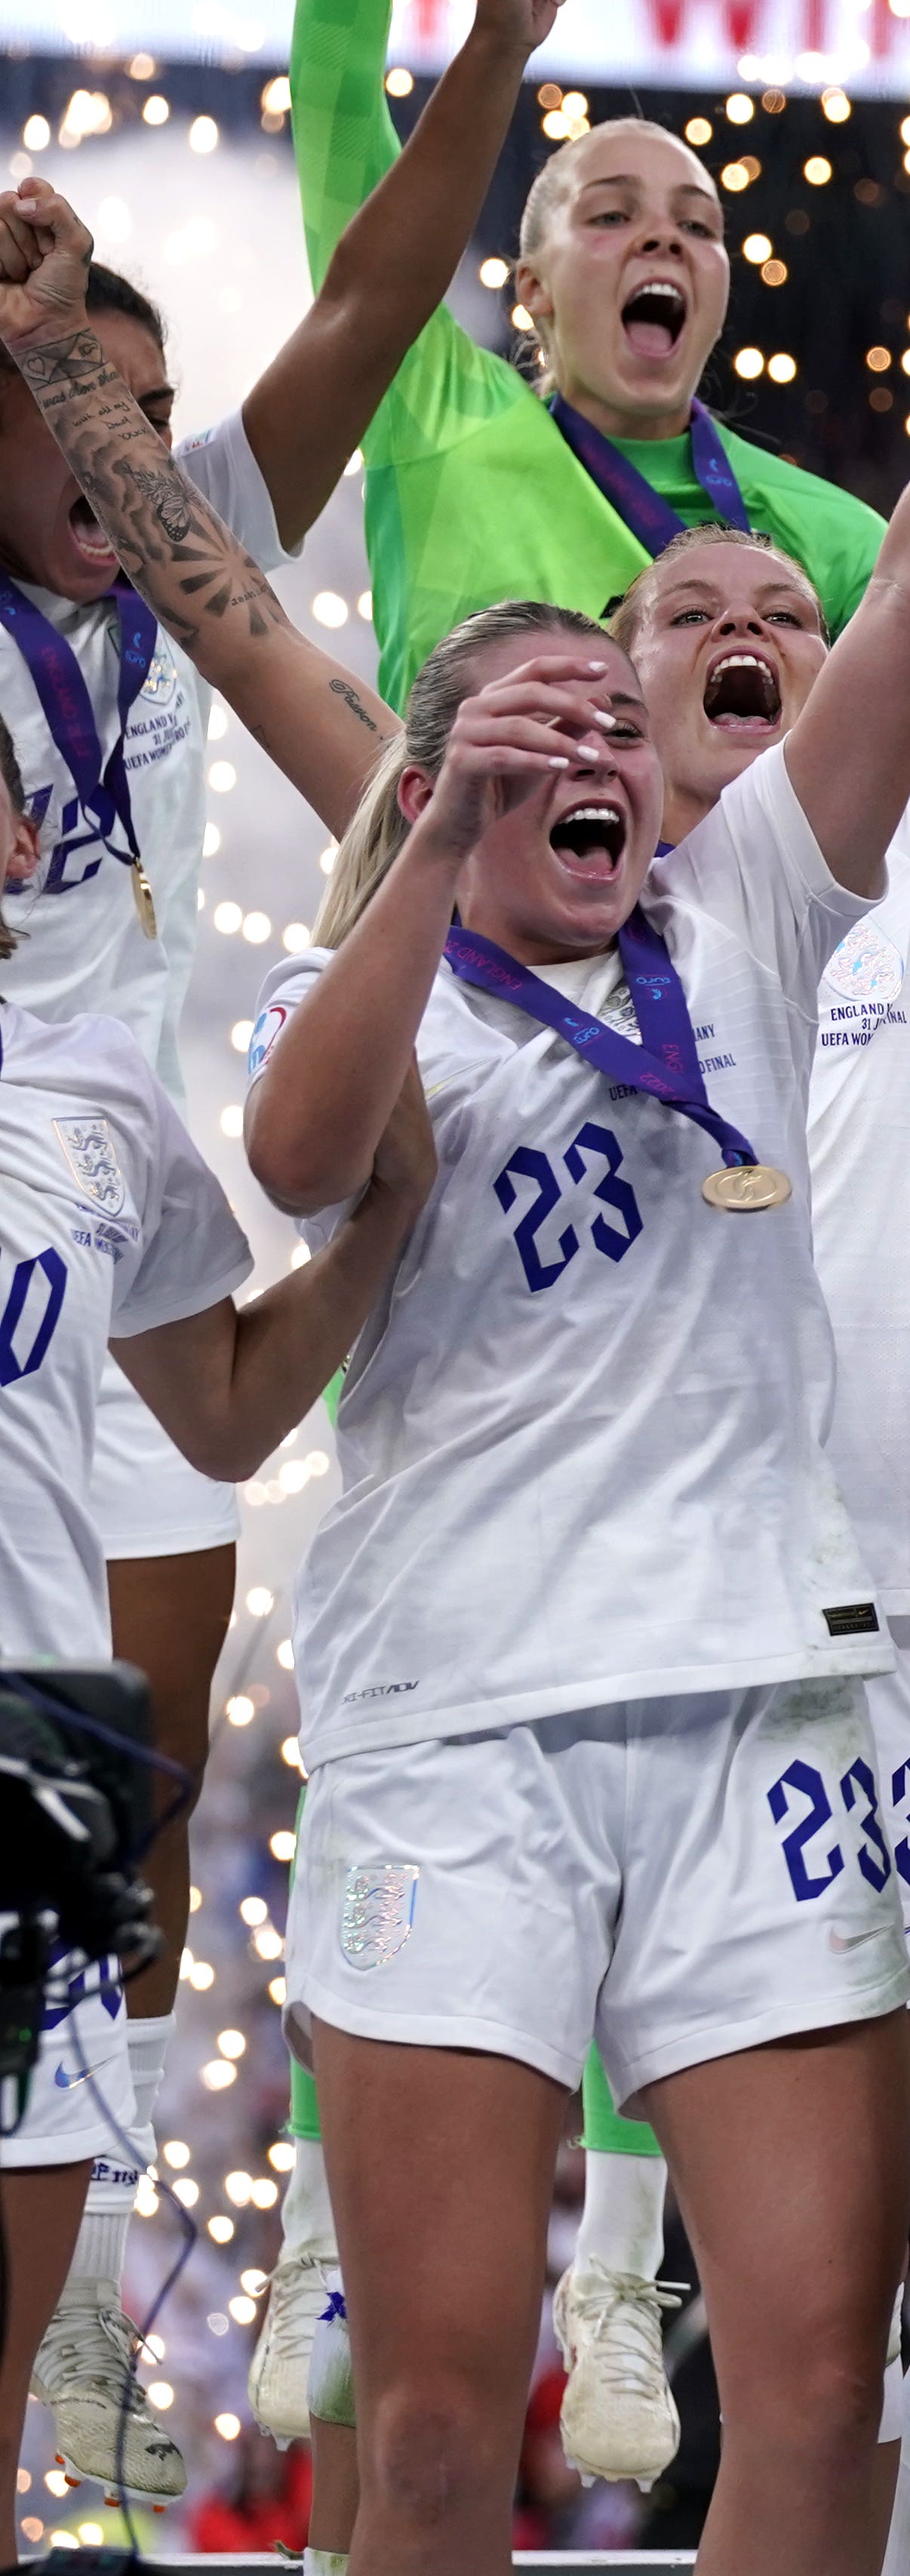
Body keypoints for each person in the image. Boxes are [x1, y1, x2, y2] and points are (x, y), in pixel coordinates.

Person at [225, 16, 910, 2576]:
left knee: (815, 2399)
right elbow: (302, 1159)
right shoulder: (387, 990)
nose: (580, 734)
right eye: (525, 700)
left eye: (607, 699)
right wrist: (431, 824)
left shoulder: (755, 914)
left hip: (768, 1708)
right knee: (433, 2423)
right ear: (443, 761)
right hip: (459, 1735)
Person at [0, 0, 574, 2493]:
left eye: (111, 395)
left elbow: (375, 296)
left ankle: (95, 2334)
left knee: (111, 1847)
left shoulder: (166, 555)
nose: (90, 435)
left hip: (118, 1229)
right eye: (41, 389)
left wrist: (497, 33)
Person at [0, 683, 439, 2432]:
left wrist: (388, 1214)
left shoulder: (95, 1093)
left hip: (20, 1789)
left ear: (25, 842)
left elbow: (228, 1414)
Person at [302, 0, 889, 696]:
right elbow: (332, 104)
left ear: (721, 286)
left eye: (697, 227)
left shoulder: (836, 544)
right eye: (611, 216)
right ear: (530, 290)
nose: (662, 242)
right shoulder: (437, 418)